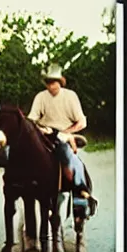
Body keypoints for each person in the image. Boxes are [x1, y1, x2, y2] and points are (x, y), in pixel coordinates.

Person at [27, 63, 97, 216]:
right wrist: (41, 130)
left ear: (61, 81)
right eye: (49, 82)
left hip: (65, 134)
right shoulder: (40, 97)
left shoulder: (70, 96)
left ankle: (81, 188)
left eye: (55, 81)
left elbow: (81, 121)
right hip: (45, 134)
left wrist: (67, 132)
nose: (52, 85)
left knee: (68, 155)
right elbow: (31, 119)